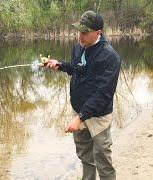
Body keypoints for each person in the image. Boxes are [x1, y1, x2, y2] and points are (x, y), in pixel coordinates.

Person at [45, 10, 121, 180]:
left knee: (103, 159)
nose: (80, 36)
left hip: (98, 116)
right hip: (79, 111)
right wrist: (60, 65)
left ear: (98, 33)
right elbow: (76, 68)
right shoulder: (78, 47)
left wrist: (80, 118)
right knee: (86, 158)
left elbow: (103, 94)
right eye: (79, 31)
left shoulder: (110, 57)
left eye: (85, 33)